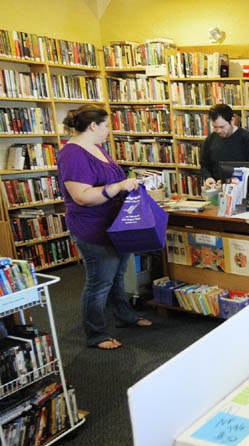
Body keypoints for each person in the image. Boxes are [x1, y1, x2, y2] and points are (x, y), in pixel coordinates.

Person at [56, 104, 152, 350]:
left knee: (116, 277)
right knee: (99, 283)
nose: (109, 130)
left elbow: (108, 181)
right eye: (106, 125)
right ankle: (96, 333)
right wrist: (118, 187)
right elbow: (82, 196)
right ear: (93, 126)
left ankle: (124, 317)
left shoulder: (96, 148)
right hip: (92, 228)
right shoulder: (72, 154)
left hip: (114, 225)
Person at [199, 103, 249, 183]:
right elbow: (204, 164)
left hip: (241, 188)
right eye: (215, 127)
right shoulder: (210, 139)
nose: (218, 131)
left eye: (222, 127)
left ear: (232, 120)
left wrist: (227, 183)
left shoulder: (248, 139)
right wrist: (208, 177)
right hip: (216, 188)